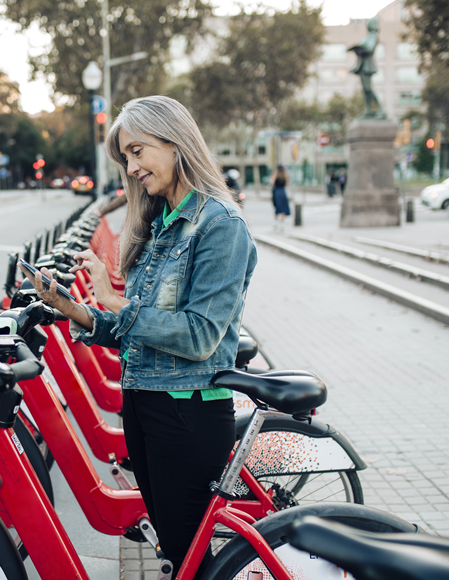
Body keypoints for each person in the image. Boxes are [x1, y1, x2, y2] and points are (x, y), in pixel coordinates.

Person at [20, 95, 256, 579]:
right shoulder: (159, 222)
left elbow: (199, 337)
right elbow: (138, 335)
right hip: (144, 403)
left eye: (137, 151)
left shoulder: (221, 225)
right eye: (125, 157)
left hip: (186, 413)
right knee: (175, 548)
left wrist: (116, 302)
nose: (131, 168)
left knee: (188, 557)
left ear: (175, 143)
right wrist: (71, 307)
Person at [271, 165, 291, 231]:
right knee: (283, 208)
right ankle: (282, 223)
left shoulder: (275, 174)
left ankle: (276, 223)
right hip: (283, 192)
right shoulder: (285, 175)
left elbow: (272, 183)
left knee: (277, 207)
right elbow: (287, 184)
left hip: (277, 192)